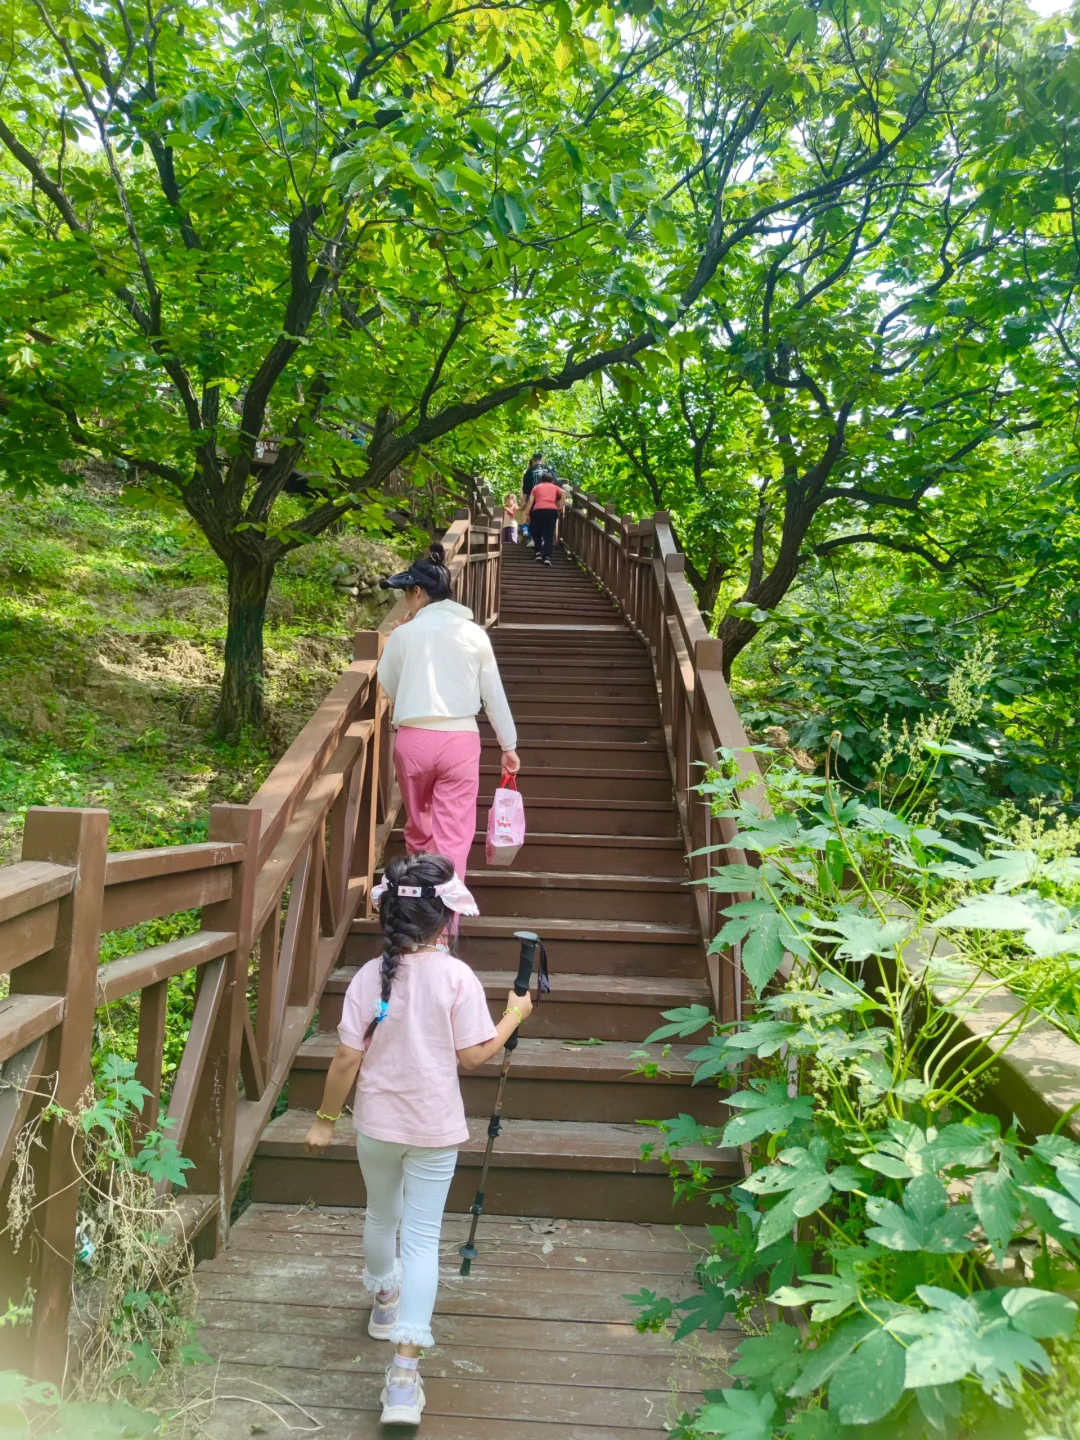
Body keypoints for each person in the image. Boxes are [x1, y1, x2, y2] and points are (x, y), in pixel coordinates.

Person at [303, 852, 535, 1426]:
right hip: (434, 1129)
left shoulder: (367, 976)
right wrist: (514, 1016)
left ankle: (385, 1303)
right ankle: (404, 1378)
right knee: (423, 1239)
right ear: (445, 919)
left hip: (376, 1125)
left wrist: (325, 1119)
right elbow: (475, 1056)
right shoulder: (457, 977)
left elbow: (345, 1059)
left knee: (382, 1215)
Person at [378, 545, 520, 883]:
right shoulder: (474, 634)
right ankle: (444, 930)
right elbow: (493, 694)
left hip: (413, 739)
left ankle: (417, 911)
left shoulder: (404, 633)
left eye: (406, 592)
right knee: (453, 838)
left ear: (418, 591)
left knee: (419, 830)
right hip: (460, 740)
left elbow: (389, 684)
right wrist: (508, 745)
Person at [521, 472, 566, 565]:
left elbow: (530, 501)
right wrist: (561, 506)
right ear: (552, 481)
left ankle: (538, 553)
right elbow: (564, 493)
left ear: (541, 480)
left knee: (536, 532)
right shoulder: (554, 487)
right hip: (551, 511)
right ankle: (547, 558)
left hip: (538, 510)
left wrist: (527, 514)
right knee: (548, 535)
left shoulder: (536, 487)